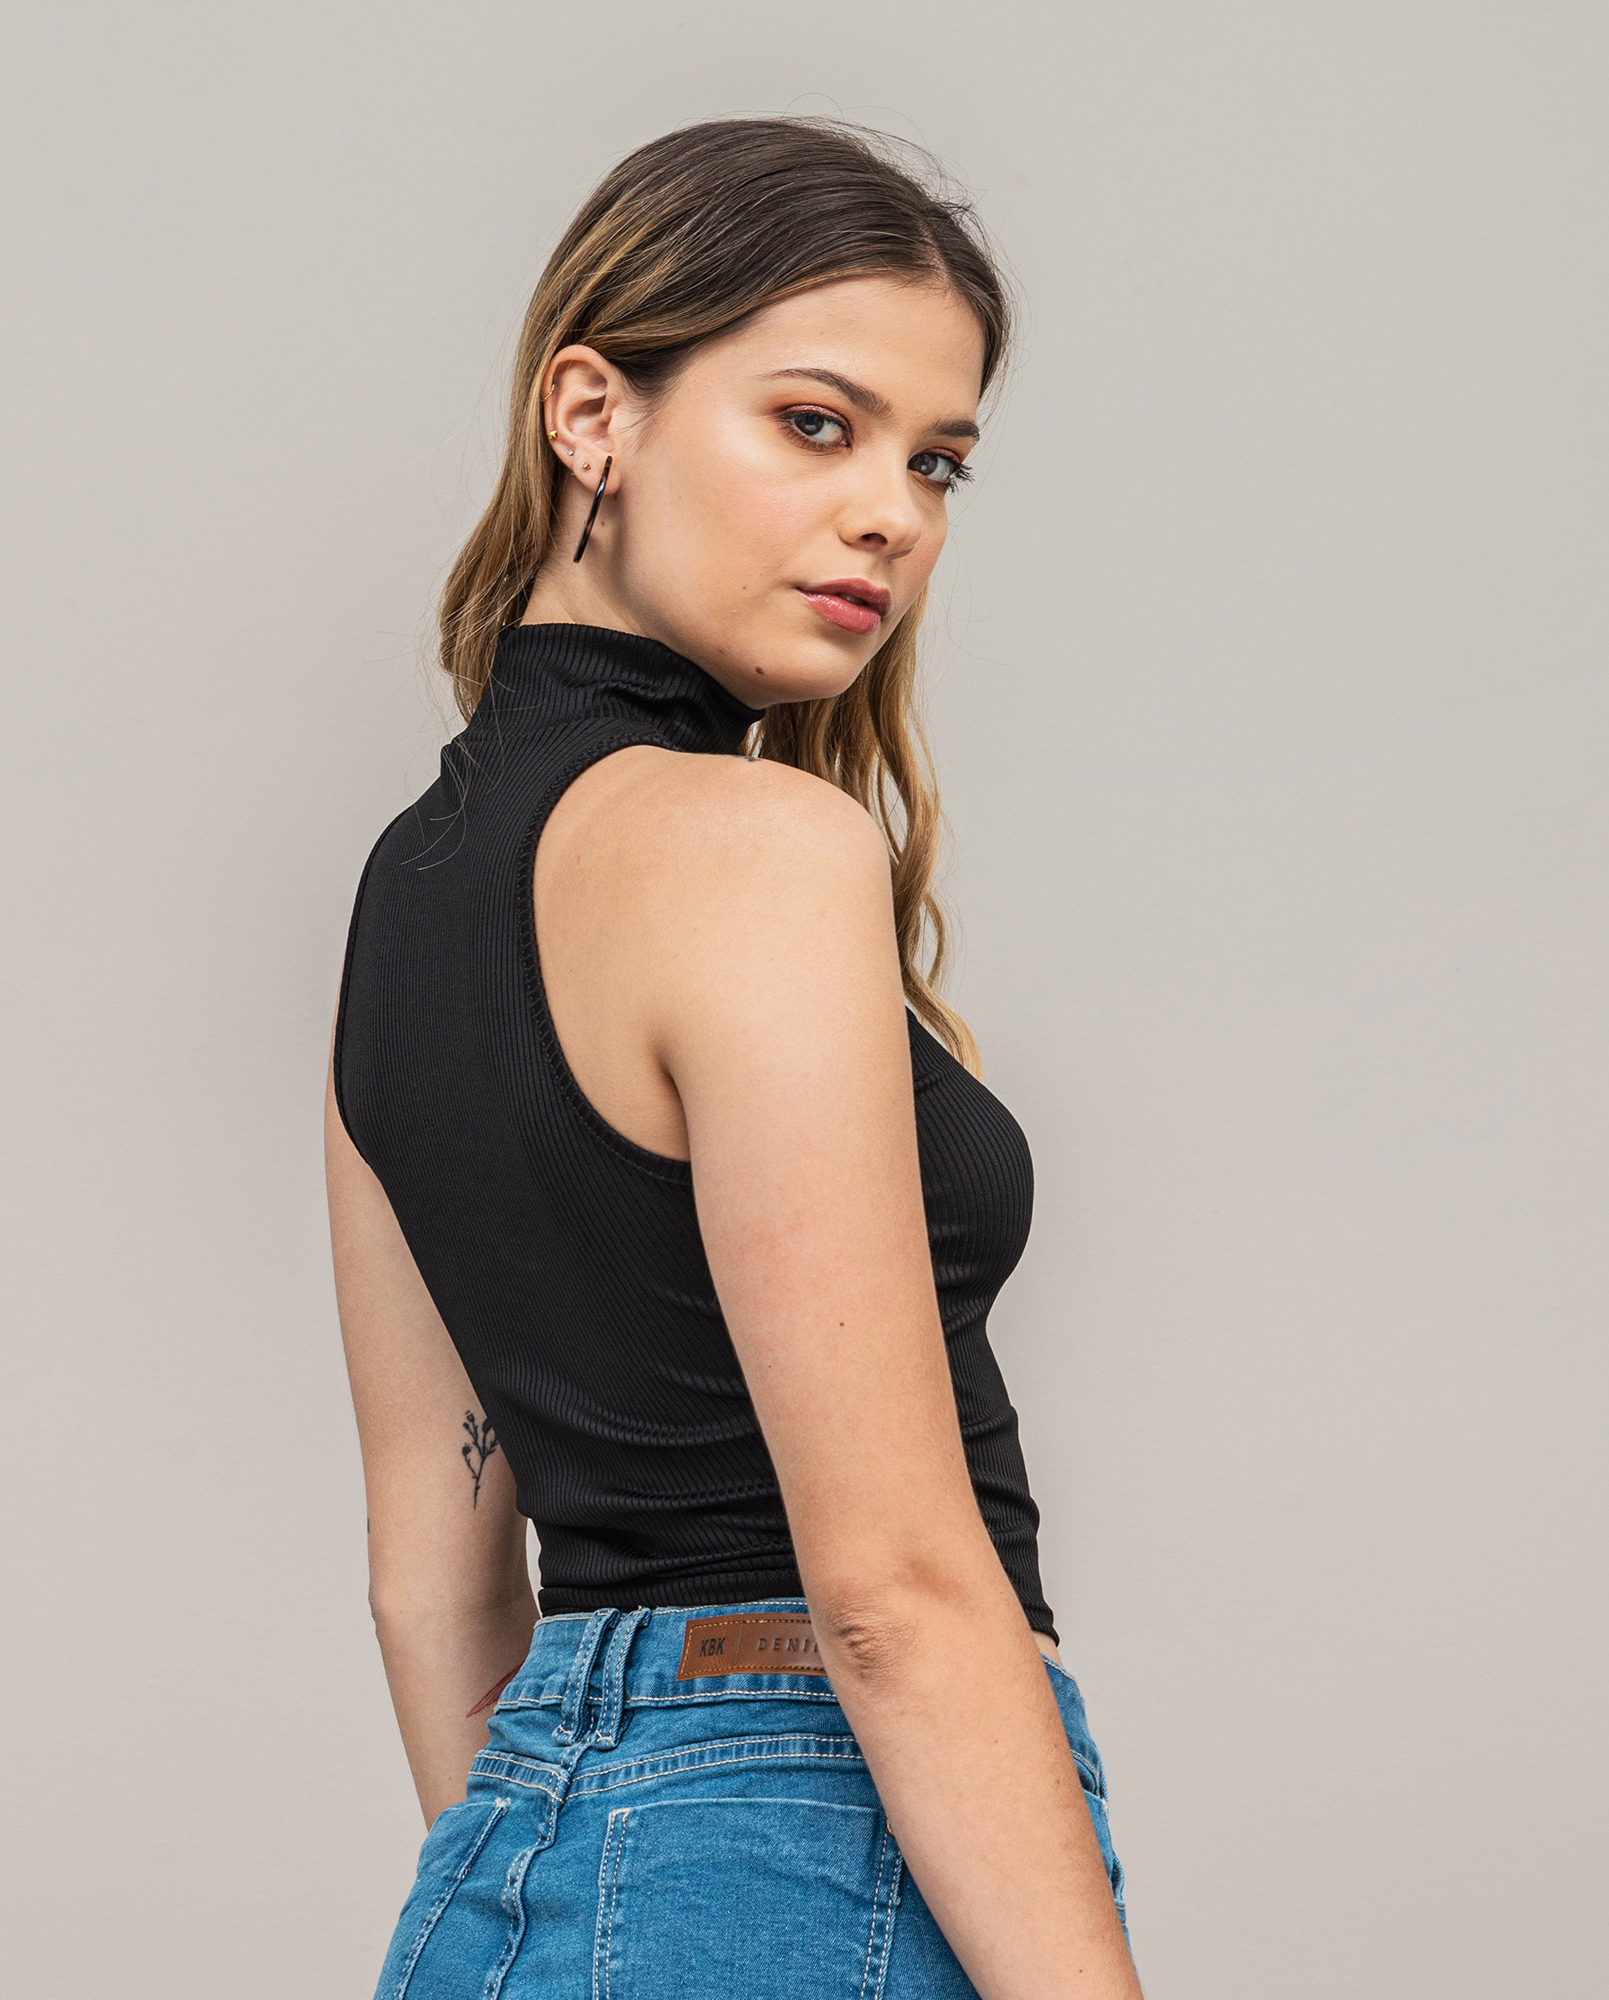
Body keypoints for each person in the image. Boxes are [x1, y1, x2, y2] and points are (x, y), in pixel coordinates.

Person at [325, 116, 1142, 1999]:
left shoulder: (409, 891)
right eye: (817, 424)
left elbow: (431, 1581)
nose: (894, 516)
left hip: (516, 1866)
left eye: (936, 461)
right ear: (591, 415)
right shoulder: (757, 850)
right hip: (812, 1831)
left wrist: (592, 1878)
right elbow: (895, 1594)